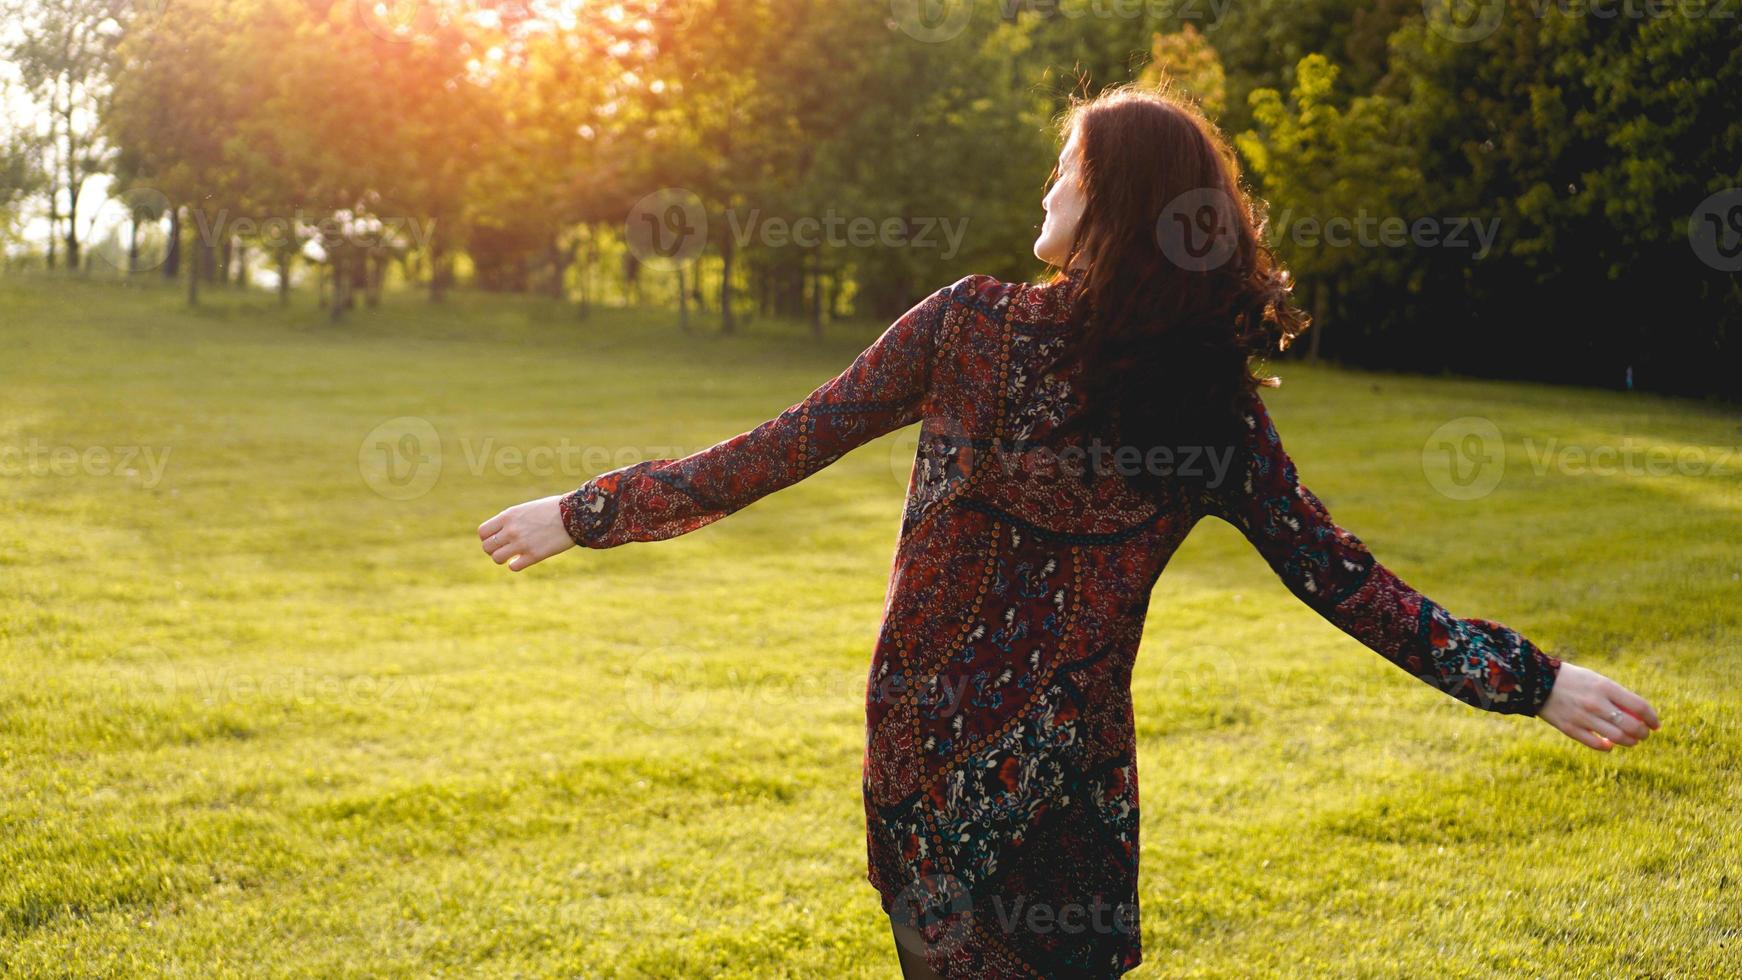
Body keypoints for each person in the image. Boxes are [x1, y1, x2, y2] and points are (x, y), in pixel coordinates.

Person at [477, 85, 1660, 979]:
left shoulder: (1138, 383)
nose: (1044, 188)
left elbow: (773, 450)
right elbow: (1348, 583)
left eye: (1063, 167)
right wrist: (587, 515)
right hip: (965, 772)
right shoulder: (1046, 352)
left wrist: (1534, 683)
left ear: (1111, 200)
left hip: (1014, 778)